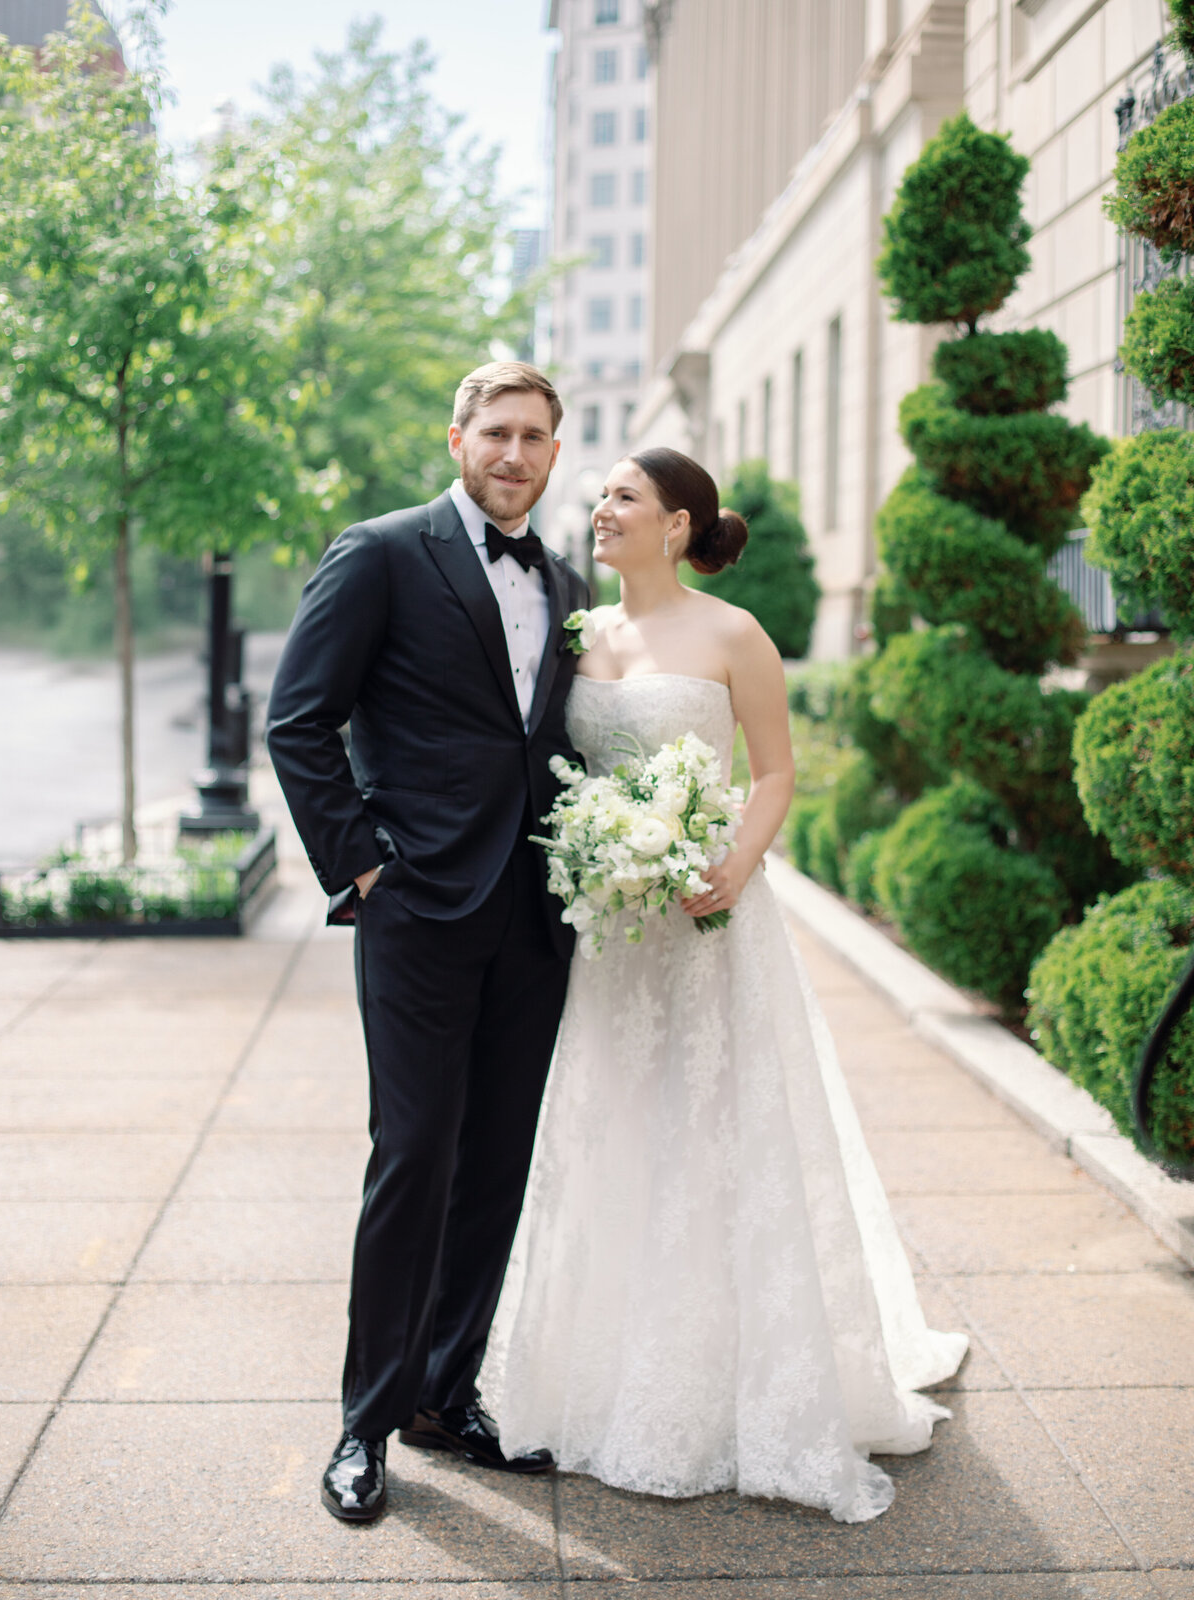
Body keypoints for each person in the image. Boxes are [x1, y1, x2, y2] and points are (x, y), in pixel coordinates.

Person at [482, 447, 967, 1521]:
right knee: (613, 1128)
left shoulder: (733, 634)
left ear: (679, 527)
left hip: (708, 918)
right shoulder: (576, 631)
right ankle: (595, 1366)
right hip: (609, 930)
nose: (600, 510)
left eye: (624, 498)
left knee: (713, 1131)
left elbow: (776, 768)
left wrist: (731, 866)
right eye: (600, 494)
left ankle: (743, 1377)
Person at [266, 361, 591, 1522]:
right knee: (414, 1158)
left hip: (535, 919)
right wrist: (362, 864)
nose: (514, 454)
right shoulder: (381, 551)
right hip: (416, 909)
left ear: (558, 452)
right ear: (456, 435)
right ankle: (365, 1425)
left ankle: (445, 1397)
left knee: (496, 1164)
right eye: (496, 431)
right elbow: (297, 718)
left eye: (536, 436)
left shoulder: (566, 577)